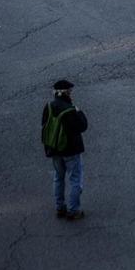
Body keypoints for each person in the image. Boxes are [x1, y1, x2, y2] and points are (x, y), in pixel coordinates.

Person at [40, 79, 88, 220]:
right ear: (66, 93)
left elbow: (44, 125)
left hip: (55, 150)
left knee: (58, 178)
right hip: (71, 151)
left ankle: (60, 207)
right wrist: (79, 112)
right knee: (75, 179)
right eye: (70, 91)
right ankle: (74, 210)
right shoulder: (70, 110)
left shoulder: (48, 106)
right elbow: (82, 126)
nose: (71, 93)